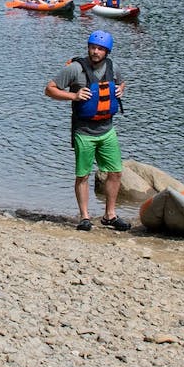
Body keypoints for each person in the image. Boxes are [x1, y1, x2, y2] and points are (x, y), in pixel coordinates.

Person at [44, 30, 130, 232]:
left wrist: (121, 89)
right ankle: (84, 217)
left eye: (100, 49)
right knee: (83, 175)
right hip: (84, 132)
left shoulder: (112, 66)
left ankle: (110, 215)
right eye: (92, 47)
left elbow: (122, 81)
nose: (95, 51)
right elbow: (49, 89)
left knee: (116, 173)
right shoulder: (75, 69)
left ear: (106, 51)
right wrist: (73, 96)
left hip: (108, 130)